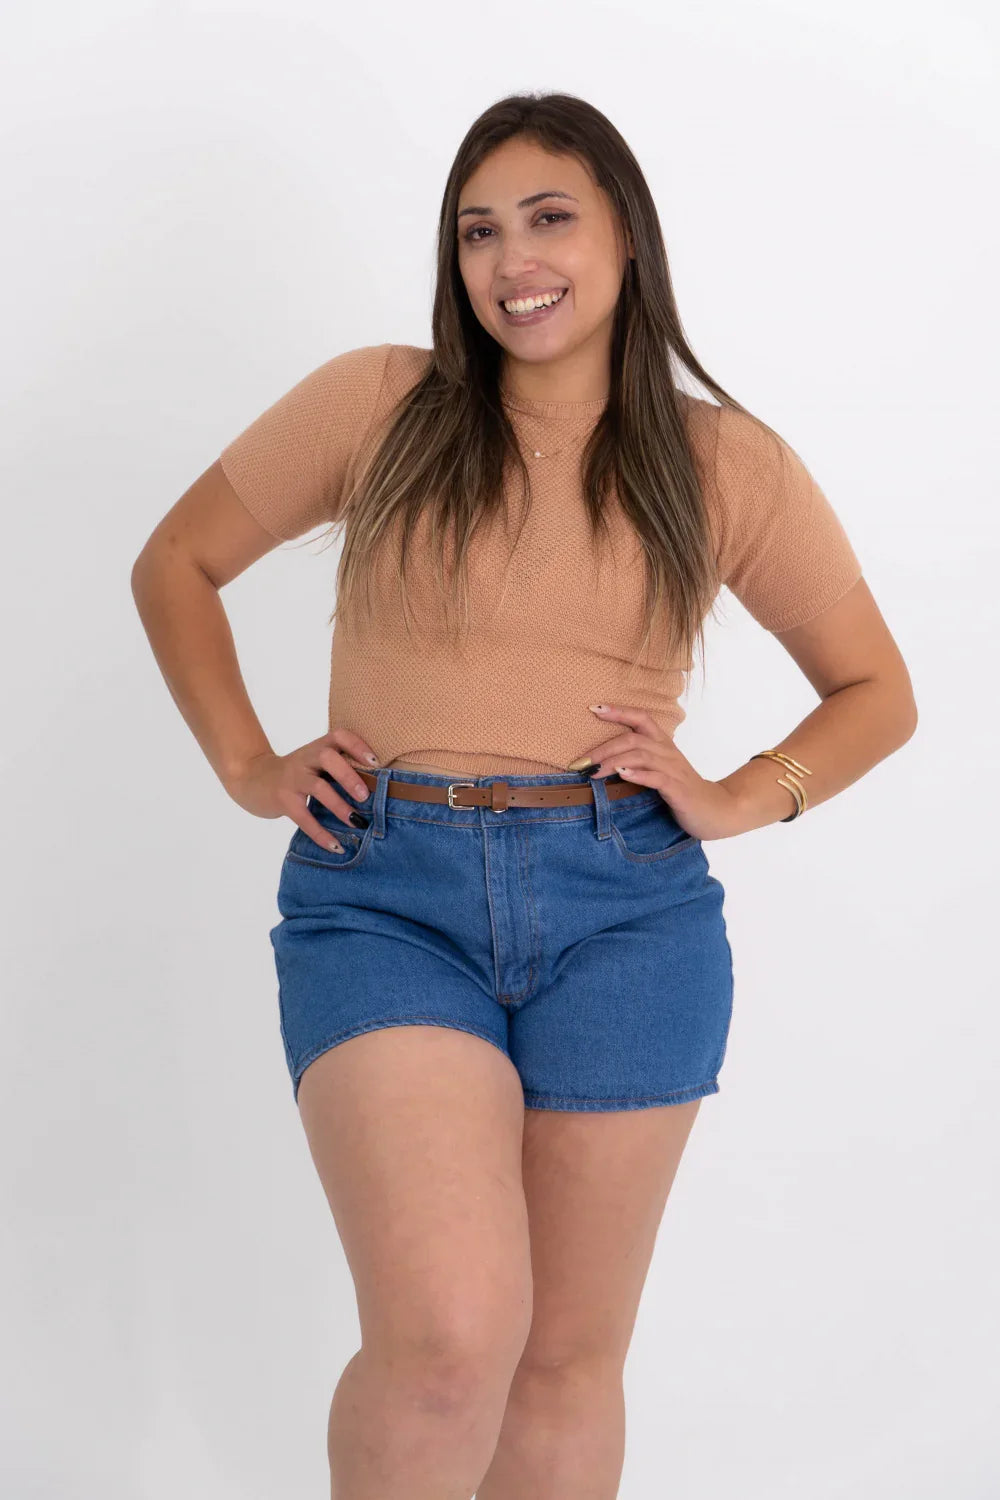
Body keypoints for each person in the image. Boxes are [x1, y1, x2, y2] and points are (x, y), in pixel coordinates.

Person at [131, 92, 917, 1500]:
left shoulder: (722, 463)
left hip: (629, 911)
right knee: (448, 1338)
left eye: (548, 219)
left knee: (562, 1363)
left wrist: (742, 796)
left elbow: (877, 690)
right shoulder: (379, 404)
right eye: (478, 231)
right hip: (384, 895)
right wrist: (250, 764)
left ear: (626, 234)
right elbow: (176, 563)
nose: (512, 260)